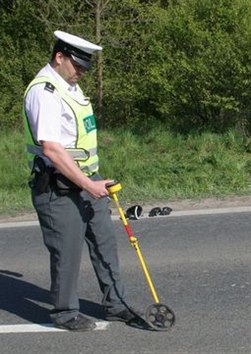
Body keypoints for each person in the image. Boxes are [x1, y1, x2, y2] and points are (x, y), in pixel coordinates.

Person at [22, 30, 141, 331]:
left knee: (104, 244)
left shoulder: (70, 87)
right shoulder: (44, 92)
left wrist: (94, 180)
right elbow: (51, 148)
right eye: (78, 65)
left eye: (86, 67)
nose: (82, 72)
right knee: (67, 251)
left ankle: (116, 304)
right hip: (57, 187)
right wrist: (89, 185)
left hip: (89, 181)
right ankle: (65, 313)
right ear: (59, 57)